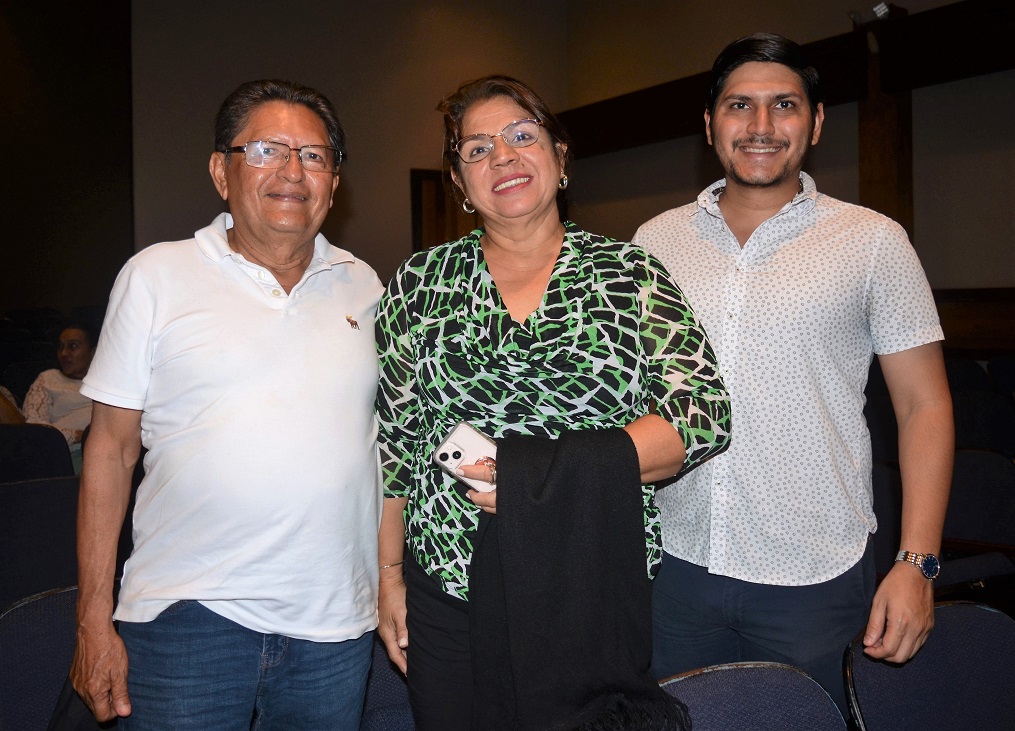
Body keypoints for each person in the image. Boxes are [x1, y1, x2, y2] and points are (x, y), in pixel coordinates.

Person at [375, 74, 730, 730]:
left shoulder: (629, 274)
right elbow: (399, 438)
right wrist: (388, 572)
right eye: (476, 149)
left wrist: (539, 479)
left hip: (590, 582)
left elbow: (703, 414)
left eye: (520, 136)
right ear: (457, 181)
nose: (502, 157)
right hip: (450, 585)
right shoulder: (419, 282)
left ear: (560, 157)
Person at [633, 33, 954, 714]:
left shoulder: (872, 242)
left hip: (813, 573)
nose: (758, 126)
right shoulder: (654, 241)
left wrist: (916, 562)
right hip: (675, 566)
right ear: (708, 123)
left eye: (782, 105)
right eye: (737, 106)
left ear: (814, 121)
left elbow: (923, 406)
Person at [70, 79, 384, 729]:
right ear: (222, 171)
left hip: (335, 625)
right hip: (187, 620)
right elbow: (109, 447)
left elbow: (382, 448)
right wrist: (91, 619)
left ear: (334, 182)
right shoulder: (156, 275)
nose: (293, 171)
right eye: (267, 150)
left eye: (315, 155)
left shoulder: (364, 285)